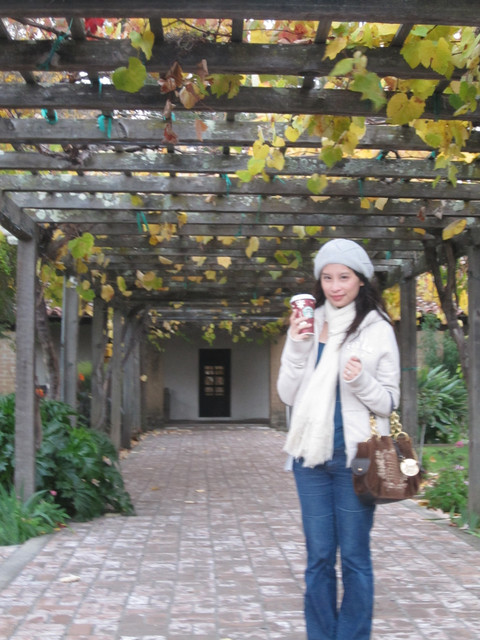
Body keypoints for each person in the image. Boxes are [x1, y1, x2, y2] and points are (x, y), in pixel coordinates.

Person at [277, 238, 400, 640]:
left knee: (355, 558)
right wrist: (297, 345)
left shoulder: (377, 329)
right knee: (318, 557)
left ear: (361, 280)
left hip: (356, 460)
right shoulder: (307, 325)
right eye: (327, 278)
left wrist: (361, 381)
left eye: (343, 277)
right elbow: (286, 394)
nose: (334, 286)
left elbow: (389, 401)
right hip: (309, 460)